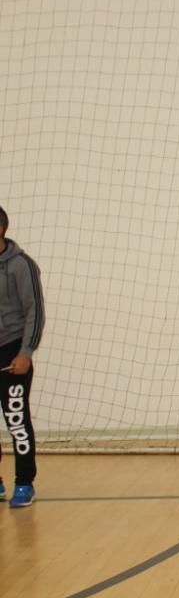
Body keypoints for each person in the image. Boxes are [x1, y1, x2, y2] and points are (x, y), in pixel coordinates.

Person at [0, 205, 45, 508]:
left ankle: (24, 483)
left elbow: (35, 311)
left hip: (13, 350)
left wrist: (25, 353)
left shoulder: (21, 265)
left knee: (16, 420)